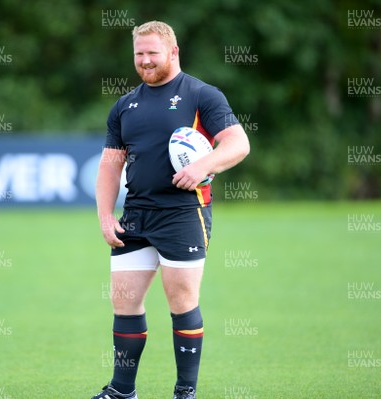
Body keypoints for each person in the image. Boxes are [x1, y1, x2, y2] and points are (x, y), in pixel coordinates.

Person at [93, 20, 250, 399]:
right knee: (124, 302)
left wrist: (203, 166)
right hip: (136, 215)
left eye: (152, 53)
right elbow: (110, 164)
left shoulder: (201, 95)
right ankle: (121, 390)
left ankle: (184, 392)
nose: (145, 61)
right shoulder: (124, 105)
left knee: (181, 302)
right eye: (139, 54)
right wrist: (104, 215)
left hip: (183, 214)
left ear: (173, 52)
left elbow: (238, 143)